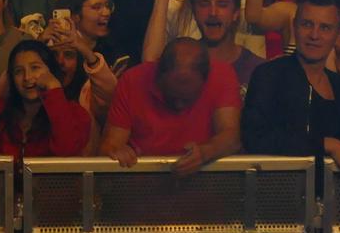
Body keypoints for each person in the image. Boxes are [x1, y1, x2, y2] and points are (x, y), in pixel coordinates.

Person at [98, 37, 241, 173]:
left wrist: (206, 152)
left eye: (187, 98)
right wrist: (117, 152)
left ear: (206, 79)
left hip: (203, 184)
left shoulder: (222, 76)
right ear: (158, 75)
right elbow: (110, 144)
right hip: (144, 184)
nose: (179, 105)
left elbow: (232, 136)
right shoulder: (133, 80)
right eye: (172, 96)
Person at [241, 0, 340, 165]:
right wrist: (326, 144)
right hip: (282, 187)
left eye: (325, 28)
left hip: (335, 190)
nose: (314, 35)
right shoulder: (270, 75)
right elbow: (255, 138)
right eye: (307, 24)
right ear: (294, 26)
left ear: (338, 33)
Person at [0, 39, 95, 163]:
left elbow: (65, 152)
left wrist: (54, 90)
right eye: (19, 71)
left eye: (35, 68)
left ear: (51, 70)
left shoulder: (76, 113)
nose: (27, 77)